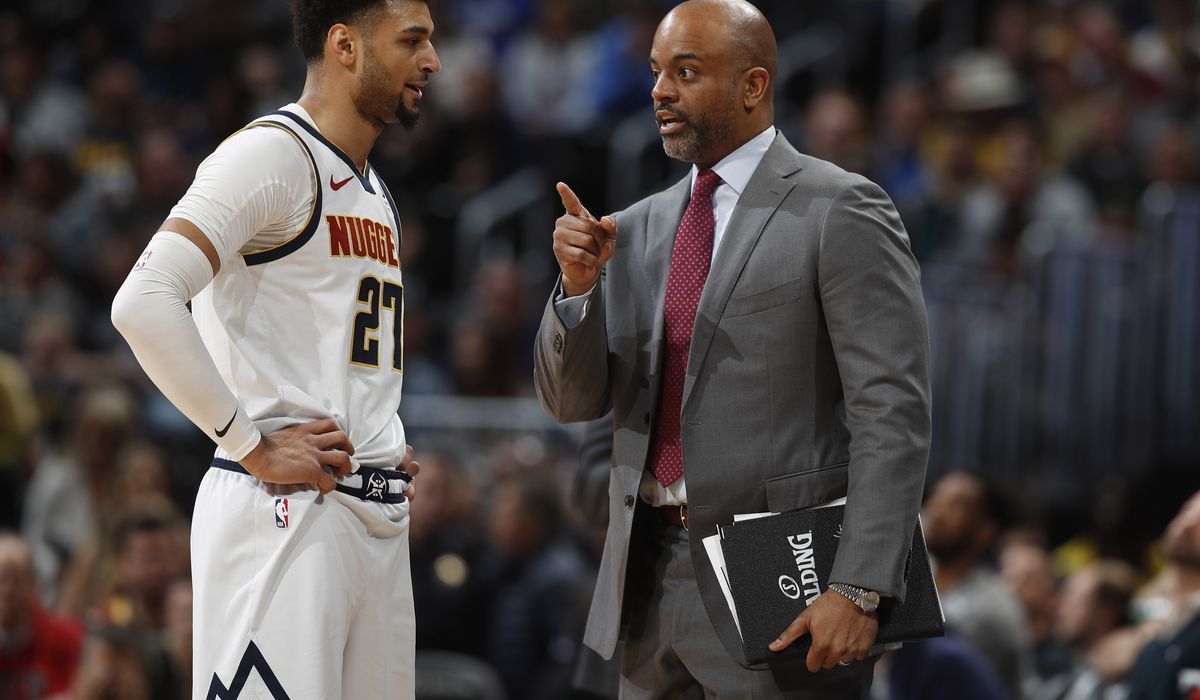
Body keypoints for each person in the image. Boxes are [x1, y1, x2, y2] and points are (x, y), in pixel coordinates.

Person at [533, 0, 932, 696]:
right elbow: (570, 402)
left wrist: (862, 584)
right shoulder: (635, 228)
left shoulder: (839, 208)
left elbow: (891, 412)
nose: (660, 90)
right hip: (647, 575)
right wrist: (575, 292)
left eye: (686, 72)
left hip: (784, 580)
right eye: (657, 72)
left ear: (753, 86)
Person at [109, 0, 441, 696]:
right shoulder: (272, 154)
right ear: (346, 45)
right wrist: (251, 443)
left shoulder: (376, 190)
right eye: (413, 41)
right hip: (283, 506)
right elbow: (143, 301)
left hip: (371, 512)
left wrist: (377, 436)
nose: (432, 61)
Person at [922, 470, 1032, 698]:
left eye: (955, 505)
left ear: (985, 531)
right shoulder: (916, 581)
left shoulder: (992, 609)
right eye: (935, 498)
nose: (936, 511)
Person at [0, 533, 85, 700]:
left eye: (16, 580)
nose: (7, 591)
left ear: (33, 585)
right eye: (1, 579)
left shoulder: (64, 639)